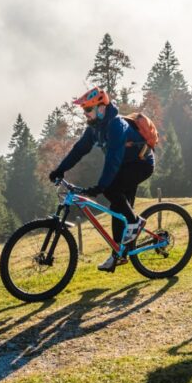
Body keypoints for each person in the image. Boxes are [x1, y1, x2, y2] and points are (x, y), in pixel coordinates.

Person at [48, 87, 155, 272]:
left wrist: (101, 186)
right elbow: (79, 150)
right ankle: (119, 254)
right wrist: (60, 170)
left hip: (141, 164)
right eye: (84, 111)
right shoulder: (95, 128)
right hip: (126, 165)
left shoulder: (115, 125)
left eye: (88, 110)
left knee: (111, 190)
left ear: (101, 107)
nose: (86, 114)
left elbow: (113, 158)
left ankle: (136, 222)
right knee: (118, 209)